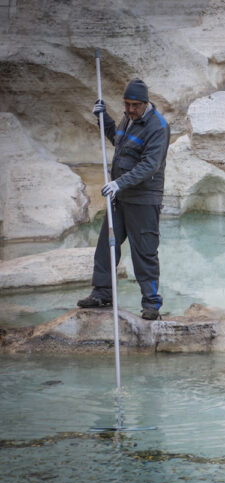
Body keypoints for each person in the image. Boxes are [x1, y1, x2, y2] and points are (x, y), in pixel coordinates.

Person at [77, 79, 170, 320]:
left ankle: (151, 303)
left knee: (144, 251)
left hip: (143, 198)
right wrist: (104, 118)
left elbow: (151, 164)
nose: (129, 109)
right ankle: (102, 292)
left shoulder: (157, 127)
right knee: (107, 244)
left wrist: (119, 183)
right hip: (120, 197)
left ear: (146, 102)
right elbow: (118, 141)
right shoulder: (128, 119)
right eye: (126, 104)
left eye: (134, 105)